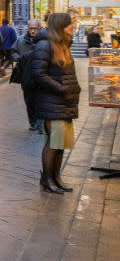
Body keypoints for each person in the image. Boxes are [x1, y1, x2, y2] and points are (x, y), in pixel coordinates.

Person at [30, 13, 81, 194]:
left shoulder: (63, 44)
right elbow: (39, 73)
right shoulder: (45, 45)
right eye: (69, 24)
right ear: (60, 25)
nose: (73, 26)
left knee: (61, 143)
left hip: (65, 101)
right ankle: (47, 179)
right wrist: (61, 89)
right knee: (53, 141)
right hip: (52, 100)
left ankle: (57, 177)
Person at [12, 19, 42, 131]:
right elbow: (13, 51)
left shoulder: (44, 42)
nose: (33, 31)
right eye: (31, 28)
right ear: (28, 28)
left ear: (40, 28)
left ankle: (40, 123)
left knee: (40, 100)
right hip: (26, 76)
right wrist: (18, 58)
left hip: (40, 76)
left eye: (36, 29)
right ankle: (33, 122)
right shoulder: (20, 41)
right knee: (29, 100)